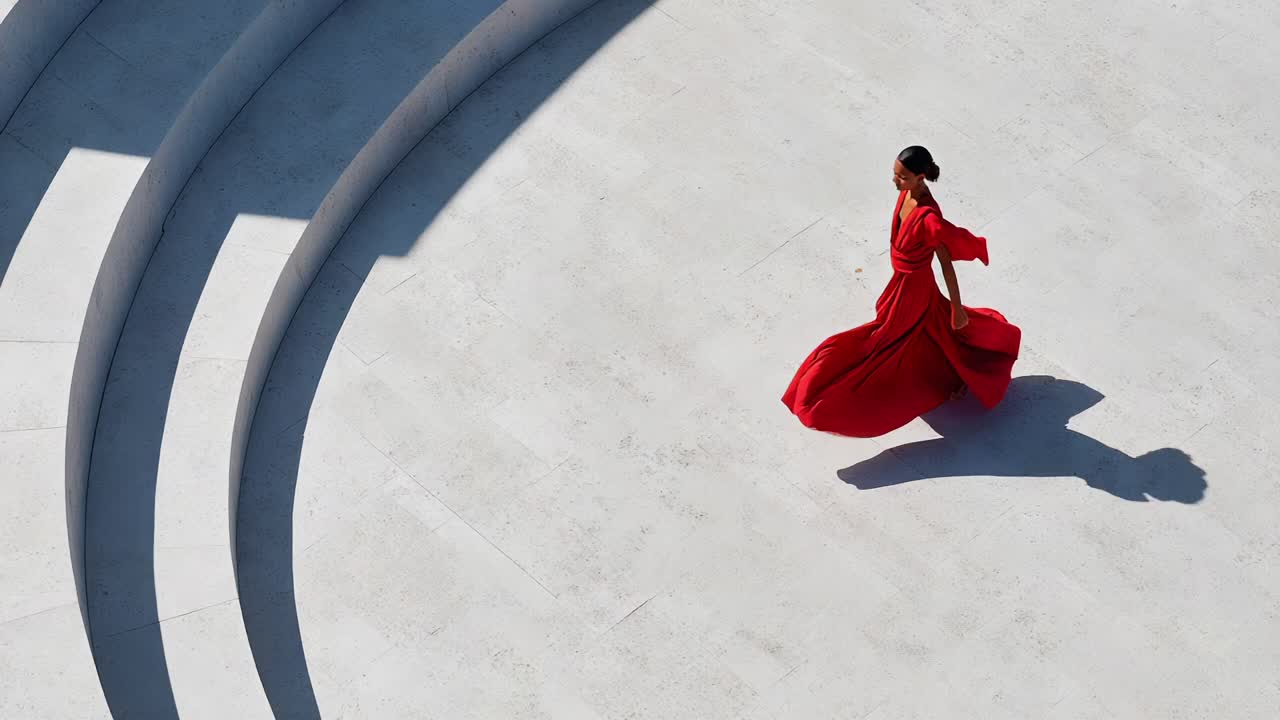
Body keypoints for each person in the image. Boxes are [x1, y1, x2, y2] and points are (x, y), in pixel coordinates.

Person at [781, 146, 1021, 438]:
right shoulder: (905, 195)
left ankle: (832, 400)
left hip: (914, 290)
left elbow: (946, 264)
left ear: (921, 178)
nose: (895, 181)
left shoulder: (929, 217)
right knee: (925, 332)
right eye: (894, 174)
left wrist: (957, 308)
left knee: (883, 343)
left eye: (902, 177)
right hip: (901, 284)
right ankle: (953, 373)